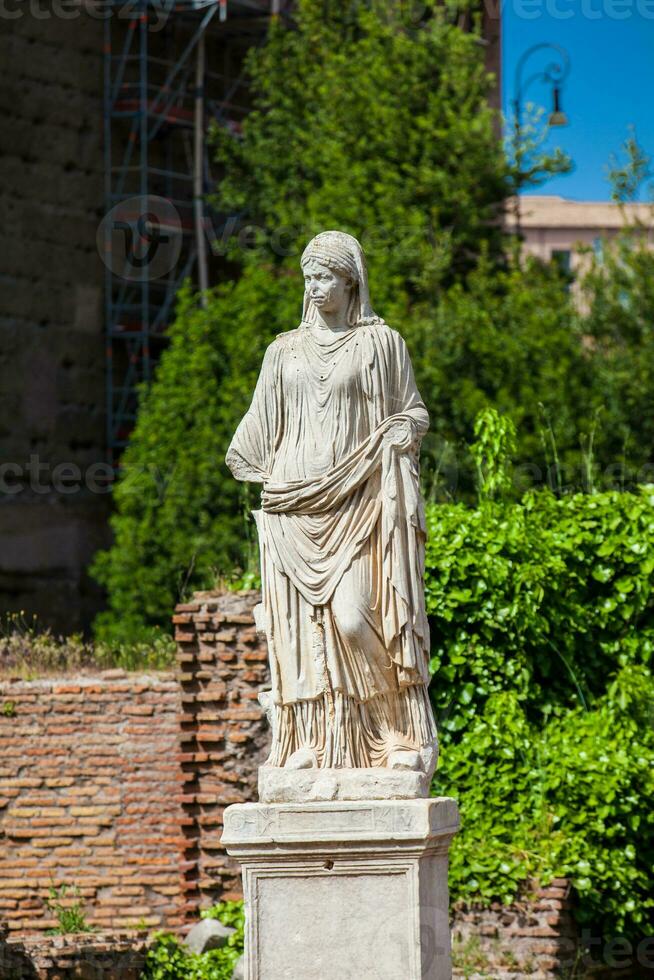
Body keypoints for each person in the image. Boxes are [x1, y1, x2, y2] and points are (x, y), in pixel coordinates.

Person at [226, 231, 437, 774]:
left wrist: (401, 434)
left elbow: (414, 412)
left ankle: (392, 730)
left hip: (360, 497)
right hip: (294, 505)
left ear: (351, 281)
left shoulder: (381, 345)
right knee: (299, 630)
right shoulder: (282, 352)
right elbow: (254, 432)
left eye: (326, 278)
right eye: (310, 278)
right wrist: (257, 470)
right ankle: (309, 741)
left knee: (350, 617)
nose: (316, 288)